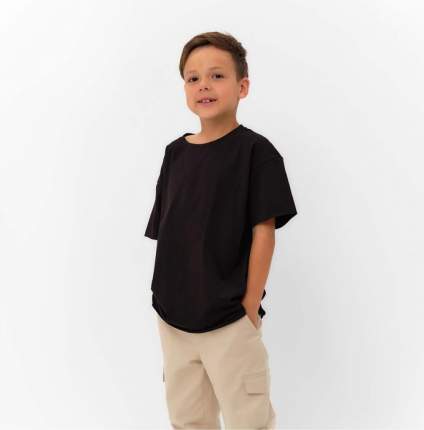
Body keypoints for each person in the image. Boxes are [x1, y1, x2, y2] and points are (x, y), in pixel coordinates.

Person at [144, 31, 298, 429]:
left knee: (249, 419)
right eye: (193, 78)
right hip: (174, 320)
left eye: (217, 76)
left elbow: (264, 232)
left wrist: (249, 304)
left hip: (230, 319)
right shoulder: (175, 154)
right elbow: (170, 232)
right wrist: (163, 299)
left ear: (242, 86)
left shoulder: (256, 153)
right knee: (187, 418)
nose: (204, 86)